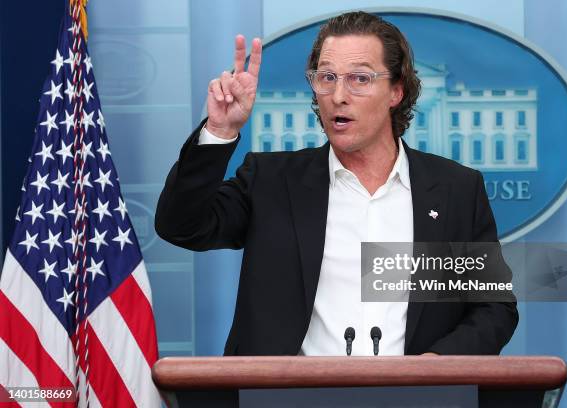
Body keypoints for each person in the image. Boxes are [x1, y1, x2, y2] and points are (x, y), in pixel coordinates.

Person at [155, 11, 518, 356]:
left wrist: (436, 365)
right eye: (326, 77)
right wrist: (220, 131)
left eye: (360, 79)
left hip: (416, 396)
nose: (338, 95)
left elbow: (494, 309)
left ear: (397, 92)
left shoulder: (456, 189)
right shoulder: (270, 181)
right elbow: (182, 226)